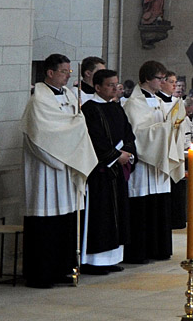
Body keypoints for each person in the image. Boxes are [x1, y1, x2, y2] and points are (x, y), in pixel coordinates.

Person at [22, 54, 98, 288]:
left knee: (66, 220)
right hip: (48, 168)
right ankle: (40, 274)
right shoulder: (38, 100)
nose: (67, 76)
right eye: (64, 72)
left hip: (68, 167)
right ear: (50, 73)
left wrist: (71, 157)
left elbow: (77, 127)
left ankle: (62, 269)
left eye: (69, 72)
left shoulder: (69, 95)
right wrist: (60, 159)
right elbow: (37, 135)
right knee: (46, 222)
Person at [122, 60, 183, 263]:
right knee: (142, 206)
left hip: (159, 161)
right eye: (159, 78)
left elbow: (163, 125)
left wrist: (174, 125)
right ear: (147, 78)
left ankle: (159, 249)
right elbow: (138, 133)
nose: (162, 82)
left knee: (159, 203)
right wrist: (166, 128)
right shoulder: (134, 103)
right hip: (145, 163)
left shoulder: (157, 100)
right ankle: (140, 251)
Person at [79, 69, 136, 274]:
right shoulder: (90, 109)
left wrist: (128, 152)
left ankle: (112, 257)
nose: (115, 88)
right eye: (110, 85)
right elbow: (94, 139)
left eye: (116, 84)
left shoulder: (116, 108)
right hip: (100, 172)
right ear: (97, 87)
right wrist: (115, 156)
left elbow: (129, 132)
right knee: (100, 215)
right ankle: (94, 261)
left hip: (118, 170)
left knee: (117, 214)